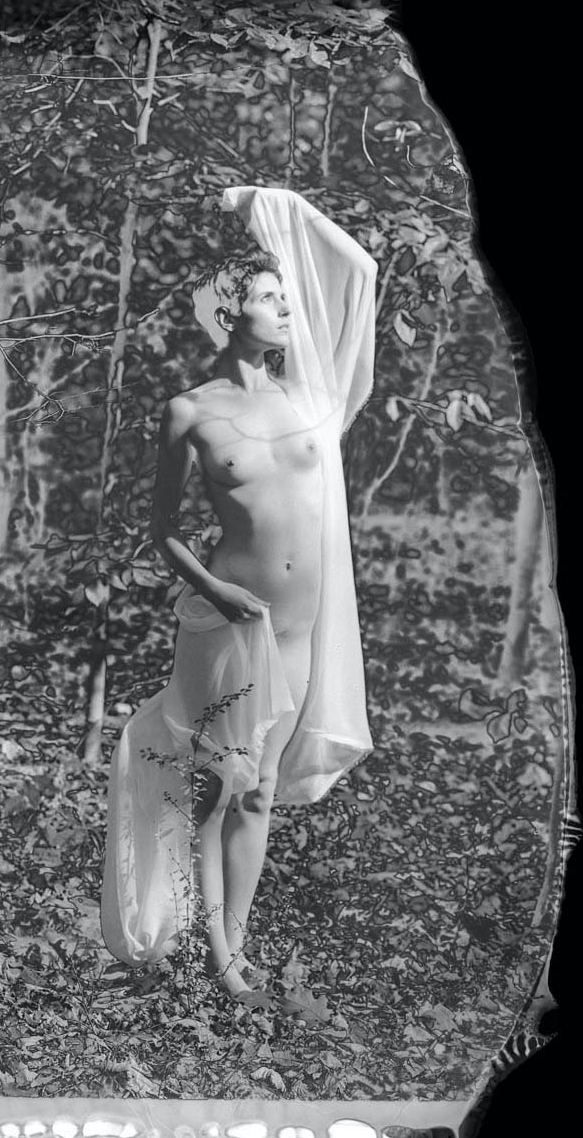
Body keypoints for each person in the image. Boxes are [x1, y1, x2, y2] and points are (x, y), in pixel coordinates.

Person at [101, 185, 379, 999]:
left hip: (299, 629)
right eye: (268, 297)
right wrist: (216, 588)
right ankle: (220, 960)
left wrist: (278, 204)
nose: (287, 310)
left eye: (288, 297)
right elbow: (162, 530)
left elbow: (361, 273)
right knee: (220, 787)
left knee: (258, 791)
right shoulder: (190, 411)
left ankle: (235, 947)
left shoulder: (316, 401)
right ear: (227, 313)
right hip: (228, 625)